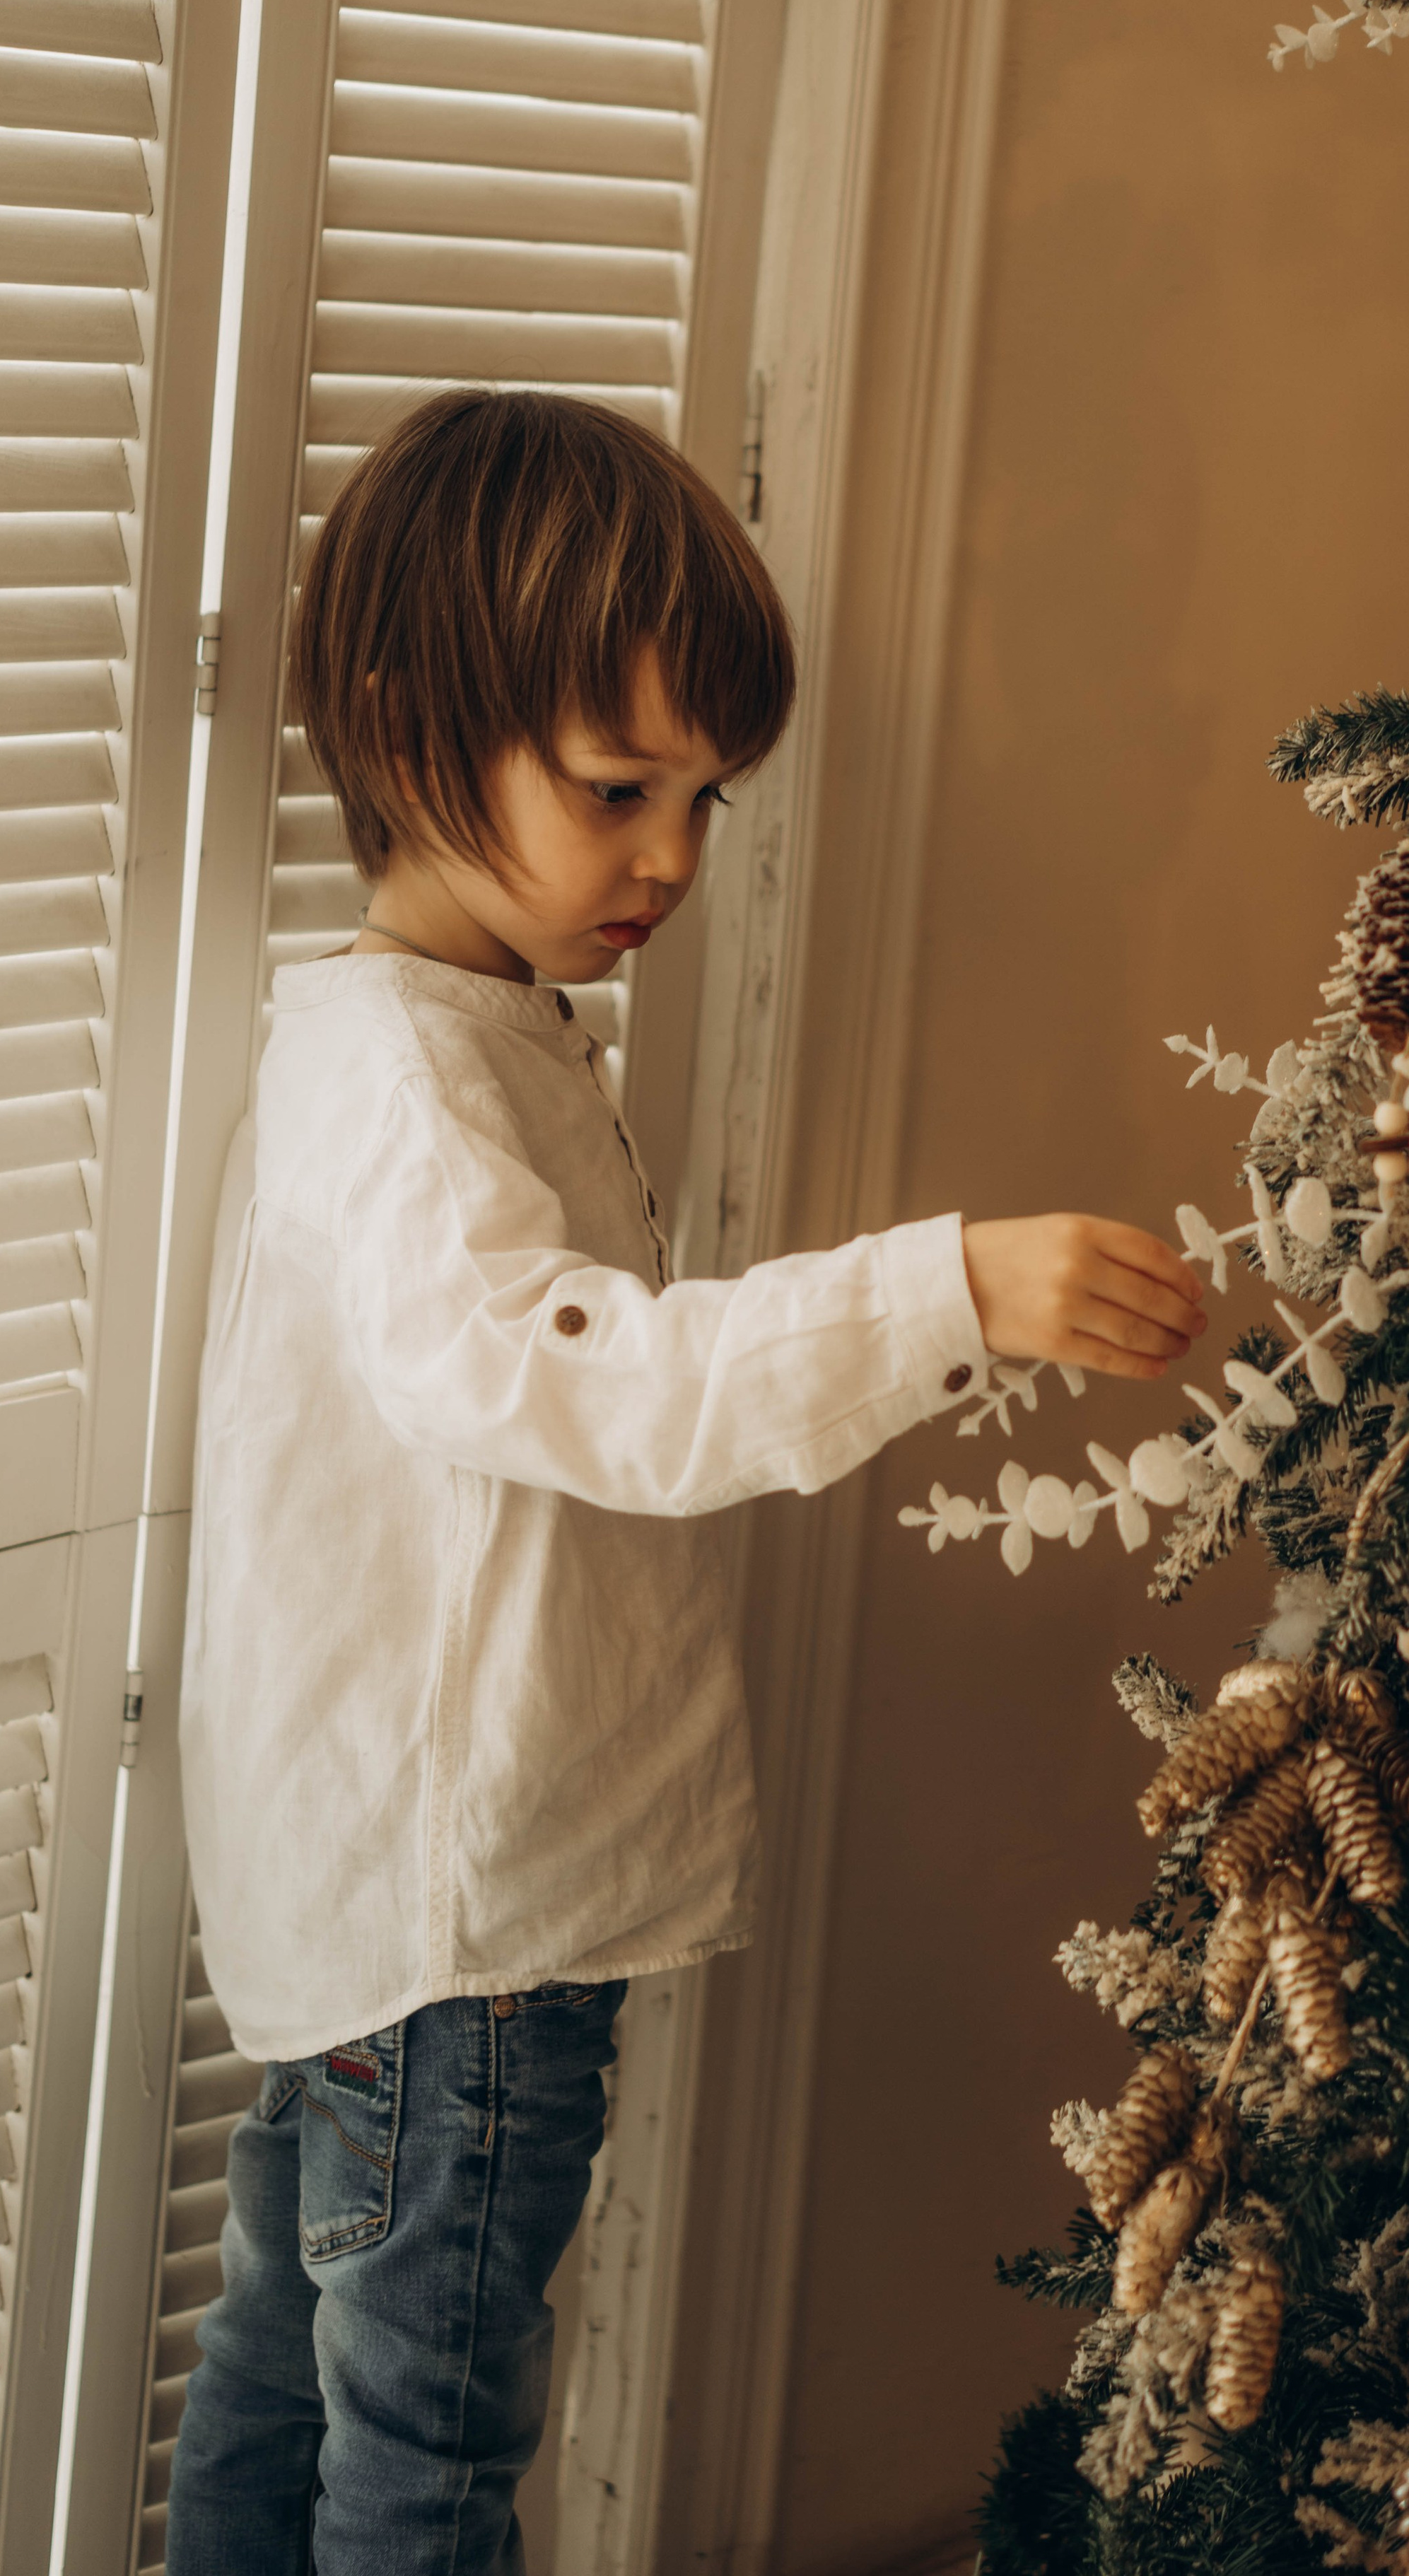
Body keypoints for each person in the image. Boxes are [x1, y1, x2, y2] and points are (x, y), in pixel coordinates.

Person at [167, 389, 1207, 2572]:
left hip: (416, 1917)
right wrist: (953, 1286)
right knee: (416, 2467)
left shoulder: (451, 1030)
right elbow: (586, 1388)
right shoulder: (402, 1076)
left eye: (703, 801)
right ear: (400, 720)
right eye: (614, 786)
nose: (668, 859)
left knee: (291, 2388)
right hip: (469, 1943)